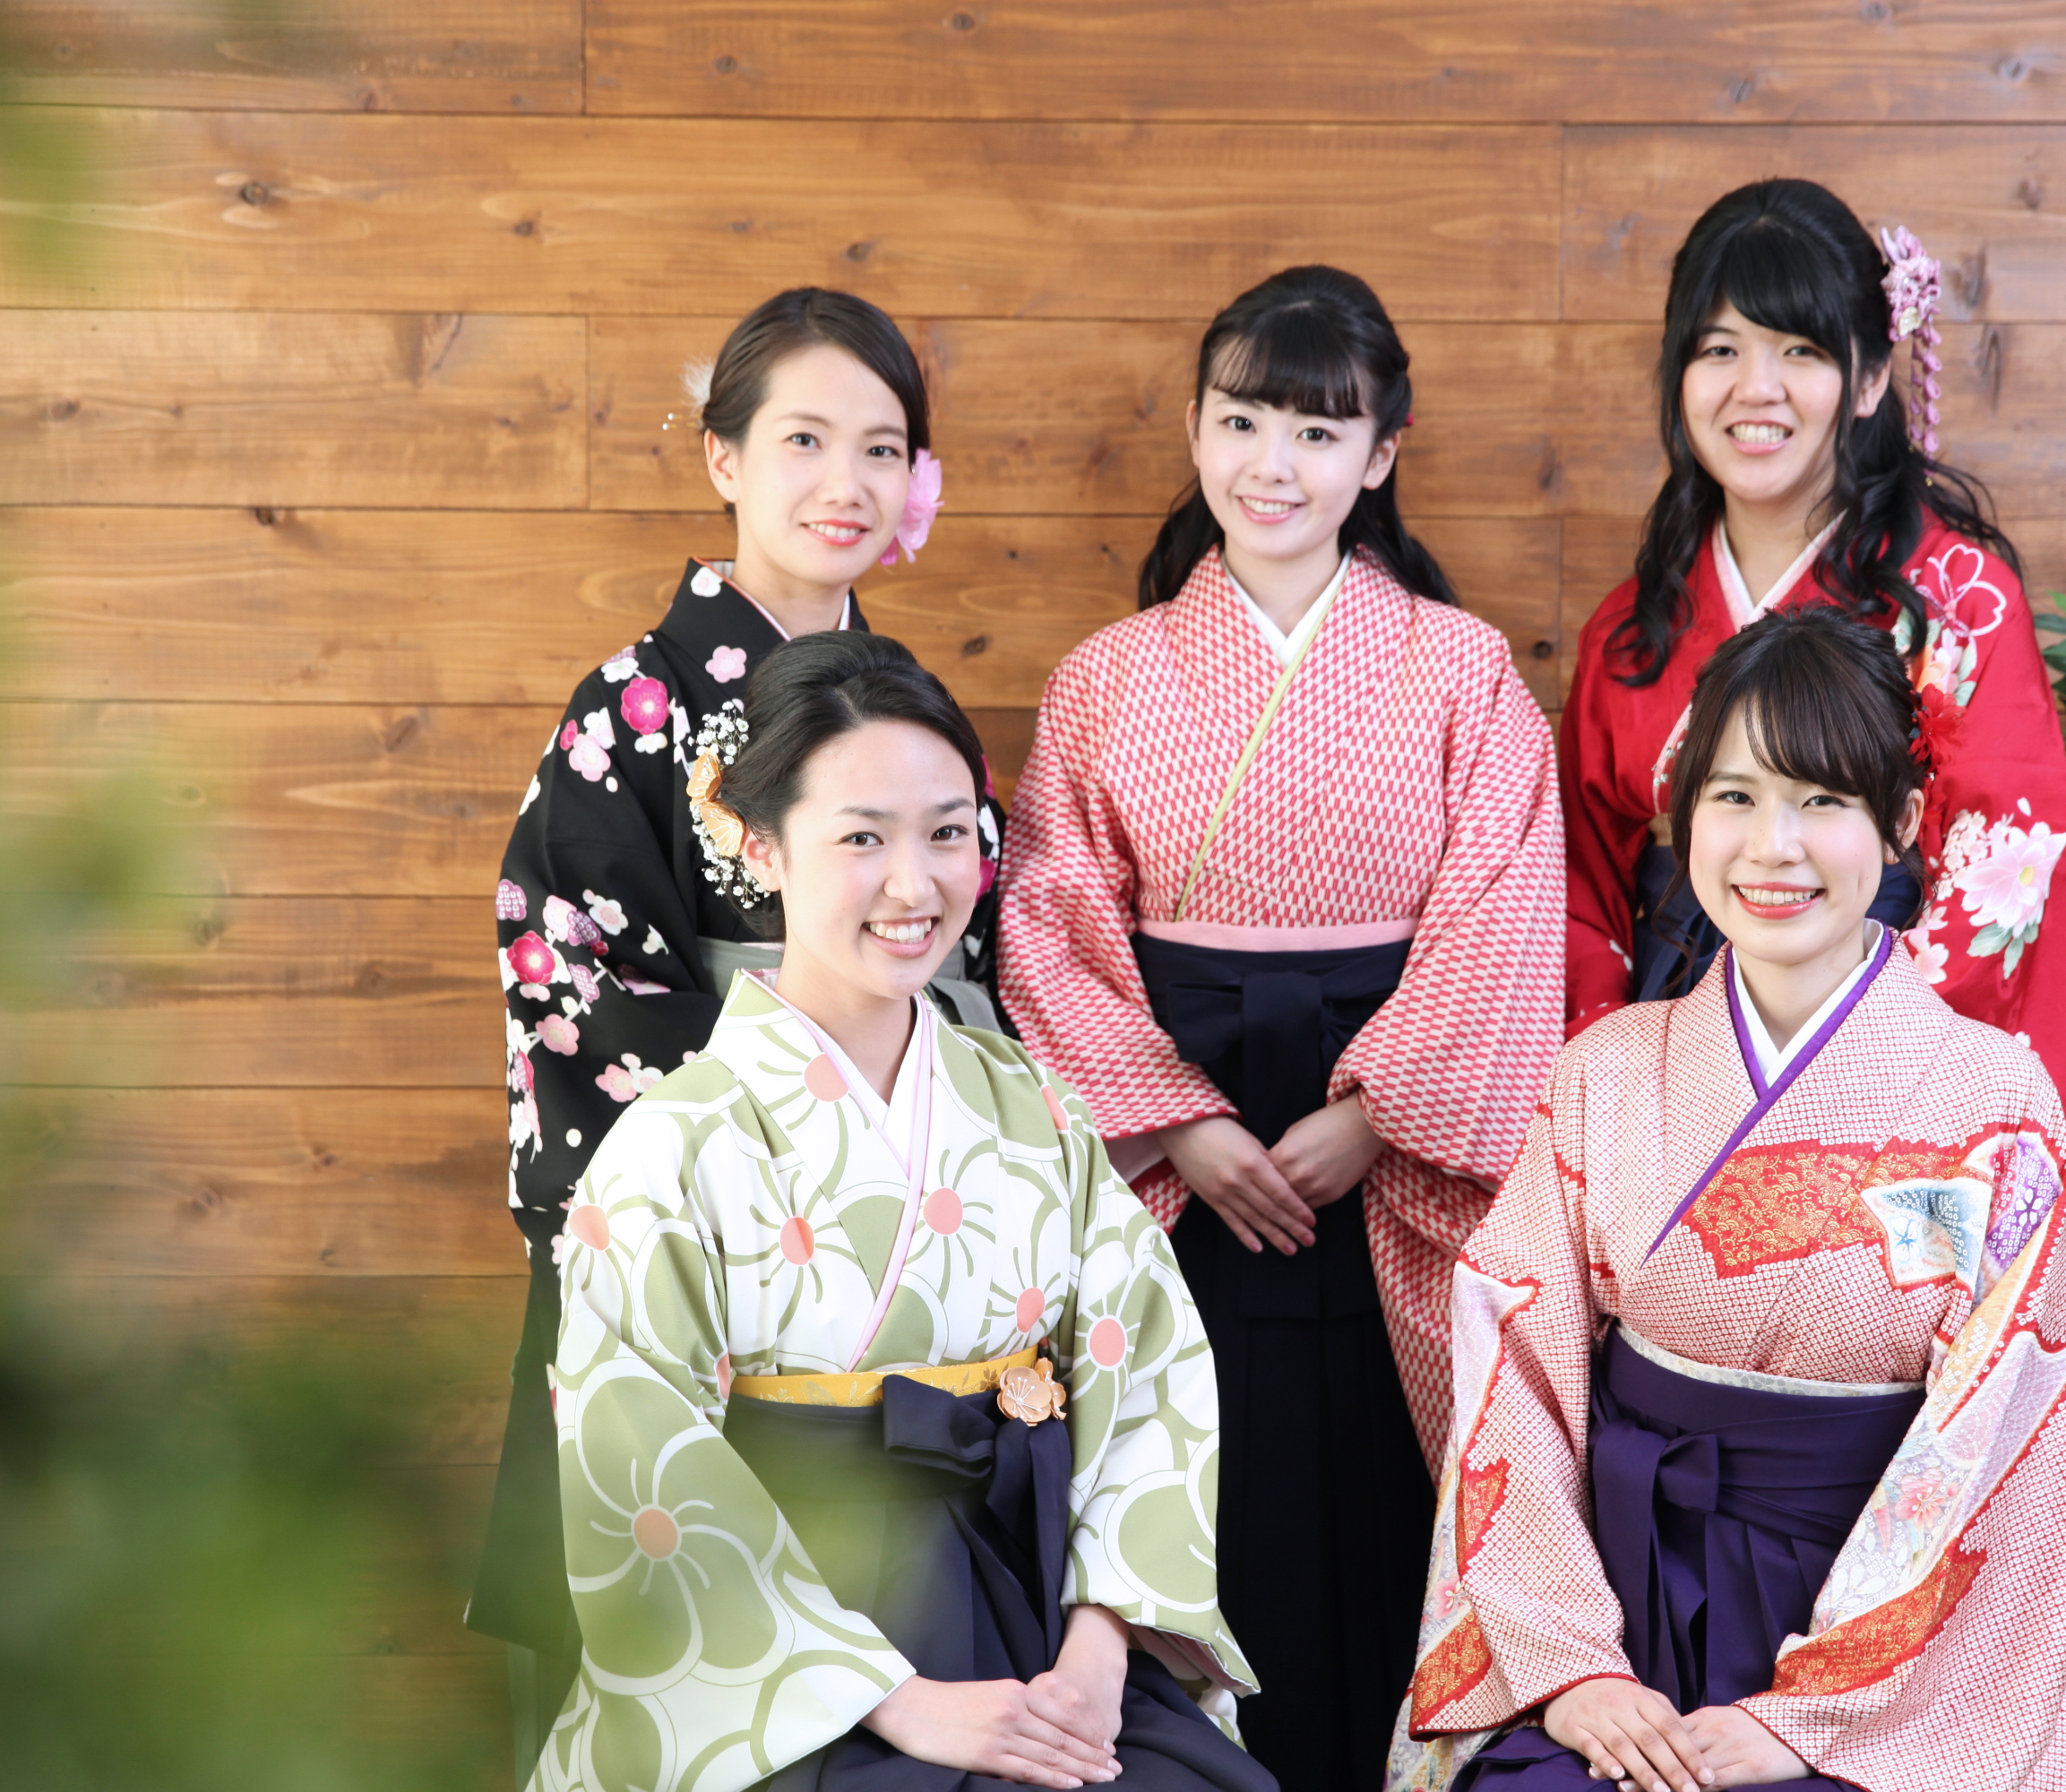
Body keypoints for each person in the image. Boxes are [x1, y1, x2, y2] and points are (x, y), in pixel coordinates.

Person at [527, 630, 1272, 1792]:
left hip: (1035, 1608)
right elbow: (643, 1467)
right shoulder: (675, 1146)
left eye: (948, 832)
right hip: (792, 1655)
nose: (915, 885)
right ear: (761, 844)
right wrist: (901, 1704)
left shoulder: (1031, 1106)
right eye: (862, 838)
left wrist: (1099, 1651)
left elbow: (1150, 1369)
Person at [1000, 265, 1565, 1792]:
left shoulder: (1461, 669)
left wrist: (1372, 1120)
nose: (1275, 464)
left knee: (1389, 1515)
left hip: (1391, 1156)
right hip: (1179, 1162)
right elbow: (1049, 921)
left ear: (1381, 455)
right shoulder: (1106, 679)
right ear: (1195, 429)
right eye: (1243, 422)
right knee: (1187, 1488)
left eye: (1319, 432)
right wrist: (1180, 1122)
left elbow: (1507, 916)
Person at [1393, 607, 2066, 1792]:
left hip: (1882, 1659)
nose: (1772, 846)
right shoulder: (1605, 1070)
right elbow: (1513, 1376)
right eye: (1734, 797)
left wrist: (1813, 1719)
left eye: (1821, 799)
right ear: (1685, 819)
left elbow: (2028, 1449)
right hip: (1612, 1612)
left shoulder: (1992, 1099)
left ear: (1901, 823)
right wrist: (1574, 1668)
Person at [473, 289, 1003, 1771]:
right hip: (699, 1219)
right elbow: (569, 977)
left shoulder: (907, 705)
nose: (848, 483)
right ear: (723, 458)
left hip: (894, 1233)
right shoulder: (631, 709)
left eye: (883, 449)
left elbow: (971, 964)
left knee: (911, 1651)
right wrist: (800, 1109)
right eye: (805, 441)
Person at [1557, 178, 2066, 1282]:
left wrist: (1829, 1084)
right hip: (1670, 1099)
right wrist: (1633, 1075)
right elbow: (1581, 891)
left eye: (1800, 351)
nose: (1755, 388)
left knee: (1892, 1359)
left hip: (1903, 1103)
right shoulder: (1630, 631)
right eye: (1718, 349)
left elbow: (2002, 884)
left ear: (1870, 377)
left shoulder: (1959, 608)